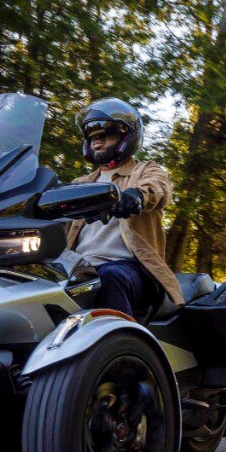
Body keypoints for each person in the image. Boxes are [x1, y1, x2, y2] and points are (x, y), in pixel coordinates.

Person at [65, 98, 182, 318]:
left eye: (104, 135)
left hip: (132, 270)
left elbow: (159, 188)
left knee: (110, 277)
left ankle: (122, 346)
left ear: (125, 137)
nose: (97, 142)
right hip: (78, 269)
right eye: (92, 137)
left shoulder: (146, 170)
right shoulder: (80, 184)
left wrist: (136, 195)